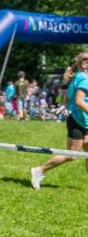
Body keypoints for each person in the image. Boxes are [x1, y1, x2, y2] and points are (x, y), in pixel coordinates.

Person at [31, 52, 88, 190]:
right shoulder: (84, 79)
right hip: (79, 121)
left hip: (80, 120)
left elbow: (66, 100)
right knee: (71, 155)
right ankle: (39, 170)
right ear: (83, 63)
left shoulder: (76, 77)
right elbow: (79, 101)